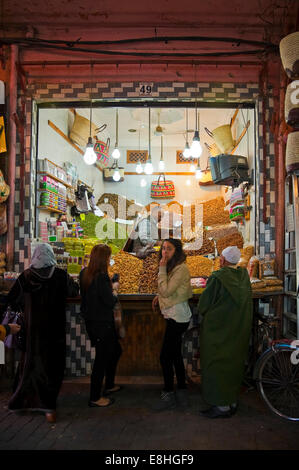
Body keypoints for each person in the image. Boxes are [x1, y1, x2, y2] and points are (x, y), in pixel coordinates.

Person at [5, 243, 79, 423]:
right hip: (55, 332)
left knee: (30, 366)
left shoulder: (26, 277)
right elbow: (74, 291)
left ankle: (25, 402)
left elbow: (12, 300)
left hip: (32, 333)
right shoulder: (61, 276)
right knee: (53, 368)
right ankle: (49, 408)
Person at [197, 245, 253, 419]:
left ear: (223, 260)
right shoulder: (244, 276)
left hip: (218, 330)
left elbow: (204, 304)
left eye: (220, 257)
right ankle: (232, 401)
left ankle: (221, 407)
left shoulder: (217, 277)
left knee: (216, 364)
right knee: (233, 364)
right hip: (239, 328)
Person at [79, 244, 122, 408]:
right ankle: (95, 397)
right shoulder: (102, 277)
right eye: (109, 257)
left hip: (92, 322)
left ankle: (109, 385)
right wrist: (115, 289)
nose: (110, 259)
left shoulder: (85, 273)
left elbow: (92, 293)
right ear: (104, 259)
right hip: (102, 324)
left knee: (115, 351)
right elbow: (110, 301)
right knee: (102, 359)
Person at [152, 238, 193, 410]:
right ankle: (182, 390)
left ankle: (169, 391)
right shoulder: (174, 267)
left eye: (169, 249)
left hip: (178, 318)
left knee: (165, 356)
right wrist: (159, 297)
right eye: (163, 249)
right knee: (175, 354)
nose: (165, 252)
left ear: (176, 251)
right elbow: (167, 292)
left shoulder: (180, 268)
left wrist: (161, 268)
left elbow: (167, 290)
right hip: (173, 315)